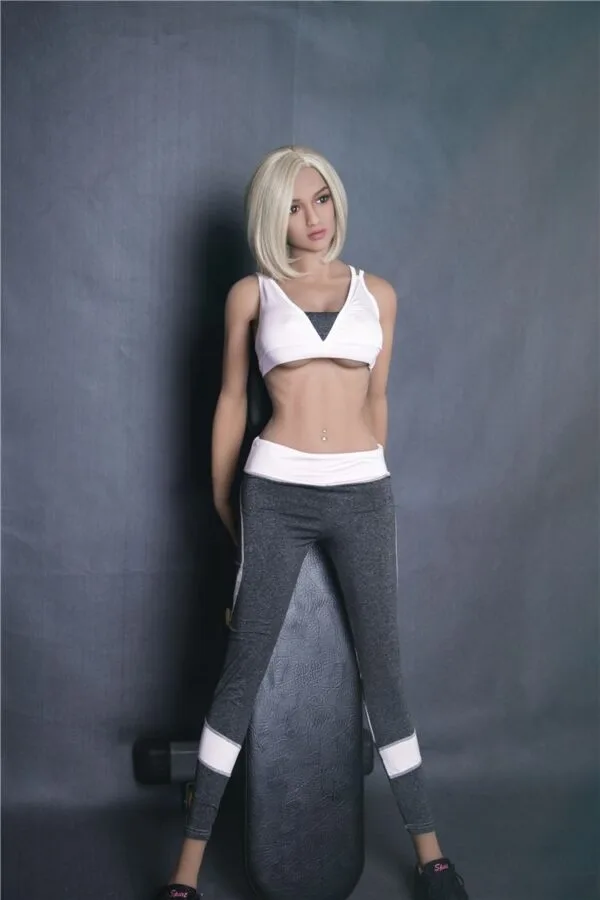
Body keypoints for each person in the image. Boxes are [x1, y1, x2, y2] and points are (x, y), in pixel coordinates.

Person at [156, 146, 469, 900]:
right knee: (243, 674)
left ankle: (432, 859)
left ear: (337, 201)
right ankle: (185, 876)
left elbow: (377, 399)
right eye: (294, 206)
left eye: (321, 198)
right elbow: (232, 402)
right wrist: (229, 503)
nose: (313, 218)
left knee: (383, 673)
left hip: (362, 493)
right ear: (274, 217)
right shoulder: (252, 294)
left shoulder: (378, 294)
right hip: (275, 491)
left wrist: (368, 478)